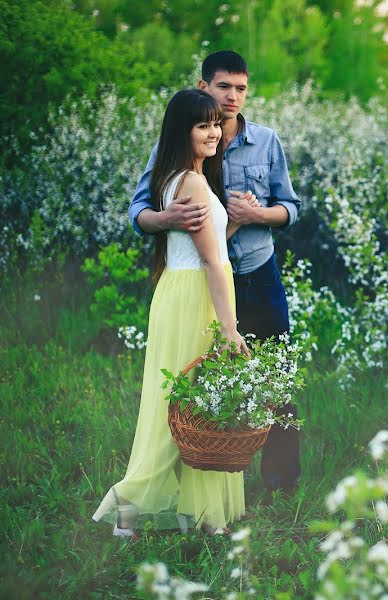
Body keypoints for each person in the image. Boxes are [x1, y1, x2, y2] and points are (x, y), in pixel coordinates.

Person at [129, 51, 303, 491]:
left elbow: (292, 208)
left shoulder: (265, 141)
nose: (233, 97)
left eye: (241, 88)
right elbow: (138, 211)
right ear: (204, 86)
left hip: (258, 274)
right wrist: (165, 221)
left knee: (273, 378)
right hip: (206, 284)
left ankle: (279, 483)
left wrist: (259, 215)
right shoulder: (179, 141)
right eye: (224, 86)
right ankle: (203, 479)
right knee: (200, 383)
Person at [94, 89, 250, 537]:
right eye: (203, 125)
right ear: (183, 132)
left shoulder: (177, 178)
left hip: (179, 293)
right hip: (195, 297)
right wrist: (229, 327)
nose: (215, 133)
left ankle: (197, 514)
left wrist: (236, 218)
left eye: (216, 124)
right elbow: (211, 260)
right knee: (187, 408)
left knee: (190, 406)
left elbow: (205, 241)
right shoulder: (193, 181)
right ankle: (128, 500)